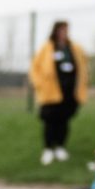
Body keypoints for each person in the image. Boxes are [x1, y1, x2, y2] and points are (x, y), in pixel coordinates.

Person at [28, 18, 85, 165]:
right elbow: (35, 68)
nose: (64, 33)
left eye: (66, 30)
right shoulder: (47, 48)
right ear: (55, 31)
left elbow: (83, 65)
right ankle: (48, 148)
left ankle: (60, 146)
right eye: (61, 30)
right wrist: (40, 84)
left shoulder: (73, 48)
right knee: (50, 121)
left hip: (68, 92)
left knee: (64, 120)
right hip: (51, 92)